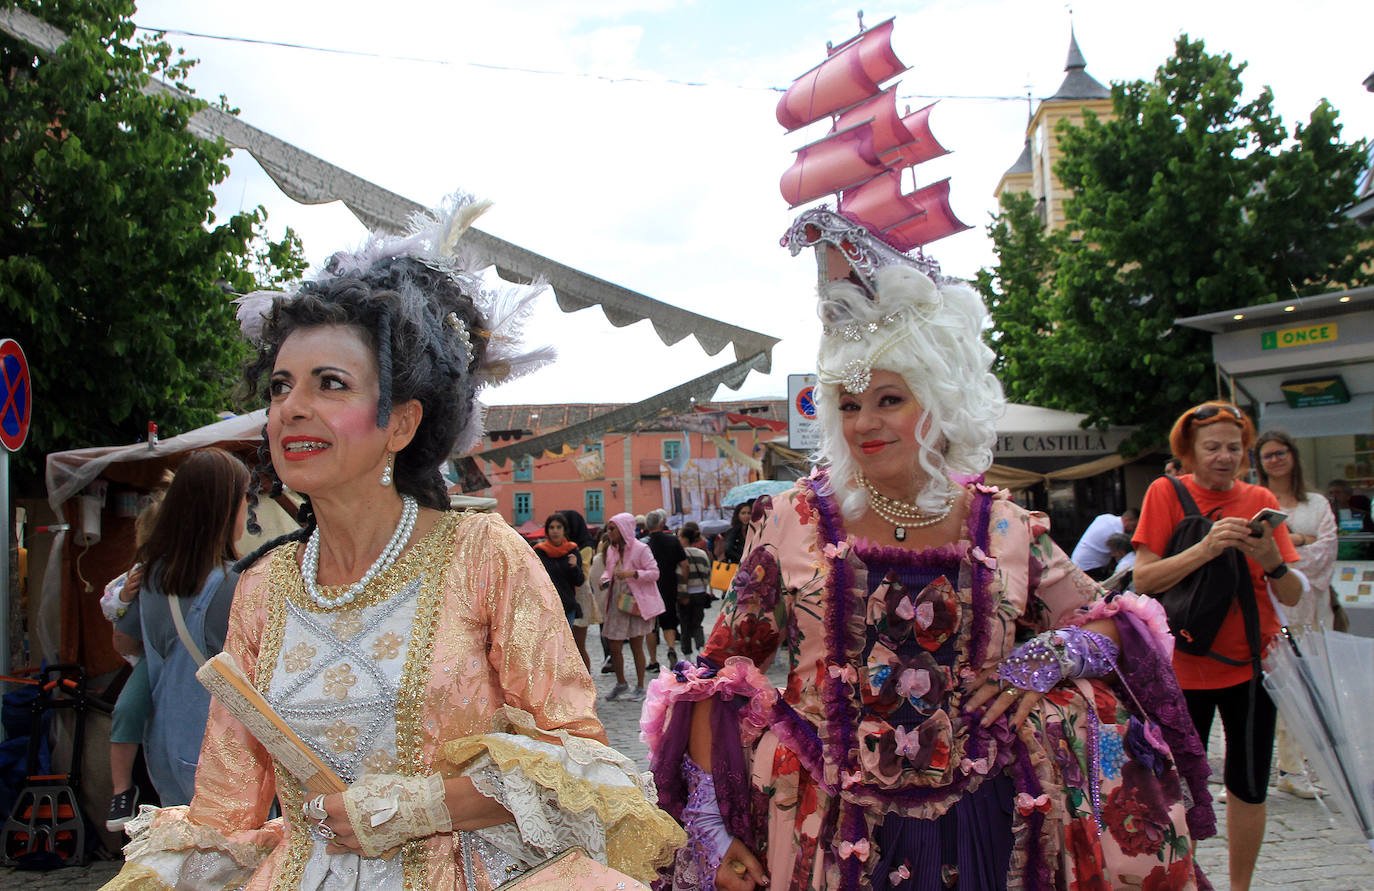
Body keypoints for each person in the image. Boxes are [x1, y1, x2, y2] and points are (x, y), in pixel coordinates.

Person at [108, 195, 682, 889]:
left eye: (330, 383)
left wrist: (424, 802)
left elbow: (578, 766)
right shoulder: (262, 588)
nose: (292, 407)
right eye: (281, 386)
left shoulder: (482, 555)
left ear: (402, 421)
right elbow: (225, 809)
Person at [644, 256, 1213, 890]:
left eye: (889, 400)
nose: (865, 423)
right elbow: (721, 673)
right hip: (822, 823)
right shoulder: (789, 519)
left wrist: (1047, 656)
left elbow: (1109, 623)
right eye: (850, 404)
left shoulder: (1004, 526)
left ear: (942, 404)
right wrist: (712, 829)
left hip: (987, 817)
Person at [1133, 402, 1302, 891]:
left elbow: (1291, 595)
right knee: (1175, 791)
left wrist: (1271, 558)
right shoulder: (1165, 492)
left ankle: (1240, 888)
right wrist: (1206, 547)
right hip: (1180, 670)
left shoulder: (1260, 498)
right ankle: (1181, 881)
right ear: (1188, 452)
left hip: (1251, 668)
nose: (1224, 457)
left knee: (1249, 786)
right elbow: (1144, 577)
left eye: (1234, 447)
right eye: (1212, 448)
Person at [112, 448, 249, 808]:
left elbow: (124, 640)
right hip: (221, 752)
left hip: (163, 748)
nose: (248, 507)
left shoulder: (150, 575)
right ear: (223, 508)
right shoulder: (234, 584)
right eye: (244, 497)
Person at [1255, 429, 1338, 798]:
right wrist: (1296, 544)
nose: (1275, 459)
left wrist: (1282, 550)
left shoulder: (1317, 504)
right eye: (1268, 454)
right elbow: (1252, 555)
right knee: (1263, 689)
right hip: (1265, 610)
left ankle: (1295, 768)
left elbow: (1327, 551)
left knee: (1309, 689)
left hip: (1311, 611)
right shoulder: (1255, 500)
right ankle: (1251, 770)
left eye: (1281, 452)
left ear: (1293, 455)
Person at [102, 485, 166, 829]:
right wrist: (125, 597)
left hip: (163, 659)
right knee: (126, 709)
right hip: (148, 659)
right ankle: (121, 791)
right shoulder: (139, 574)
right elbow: (111, 609)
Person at [601, 511, 664, 702]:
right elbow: (609, 570)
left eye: (612, 528)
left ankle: (640, 685)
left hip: (636, 602)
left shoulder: (640, 549)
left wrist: (632, 574)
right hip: (617, 601)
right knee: (614, 644)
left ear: (623, 529)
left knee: (637, 643)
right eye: (608, 528)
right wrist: (605, 580)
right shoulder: (612, 550)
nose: (609, 532)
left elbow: (654, 573)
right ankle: (621, 683)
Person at [645, 508, 687, 667]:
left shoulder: (643, 543)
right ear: (662, 523)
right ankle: (670, 648)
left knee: (650, 625)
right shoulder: (673, 540)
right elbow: (684, 564)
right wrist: (684, 583)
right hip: (669, 585)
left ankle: (653, 660)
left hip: (649, 588)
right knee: (669, 621)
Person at [561, 510, 601, 672]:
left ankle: (586, 680)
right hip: (568, 594)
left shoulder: (584, 548)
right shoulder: (564, 546)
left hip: (580, 594)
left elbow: (582, 573)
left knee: (578, 643)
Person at [532, 512, 585, 627]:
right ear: (547, 531)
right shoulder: (539, 552)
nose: (555, 531)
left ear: (564, 530)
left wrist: (574, 567)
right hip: (546, 607)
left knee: (565, 644)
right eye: (552, 527)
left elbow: (580, 581)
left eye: (559, 527)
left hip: (567, 606)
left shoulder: (572, 550)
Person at [1069, 509, 1139, 580]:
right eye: (1134, 526)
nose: (1134, 529)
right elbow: (1123, 558)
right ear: (1127, 520)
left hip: (1078, 561)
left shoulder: (1105, 517)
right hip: (1089, 567)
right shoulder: (1117, 533)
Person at [677, 527, 712, 658]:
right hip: (700, 592)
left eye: (679, 536)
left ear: (685, 539)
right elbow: (707, 572)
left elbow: (679, 574)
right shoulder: (701, 553)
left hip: (685, 592)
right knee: (697, 623)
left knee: (685, 624)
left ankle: (687, 655)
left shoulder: (680, 554)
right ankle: (700, 648)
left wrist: (681, 592)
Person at [713, 501, 752, 566]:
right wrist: (742, 560)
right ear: (738, 515)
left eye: (749, 513)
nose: (746, 516)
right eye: (743, 513)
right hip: (736, 566)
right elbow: (728, 550)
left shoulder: (754, 531)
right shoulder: (732, 532)